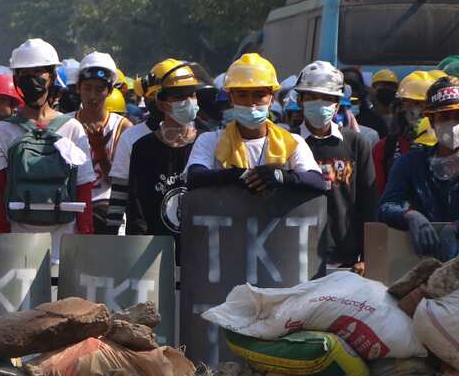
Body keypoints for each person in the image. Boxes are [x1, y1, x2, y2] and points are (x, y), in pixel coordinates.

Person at [0, 39, 95, 263]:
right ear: (16, 80)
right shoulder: (1, 132)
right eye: (25, 74)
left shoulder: (73, 129)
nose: (32, 80)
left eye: (38, 72)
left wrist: (83, 247)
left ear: (52, 76)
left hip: (58, 250)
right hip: (19, 249)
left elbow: (84, 192)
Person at [379, 76, 459, 261]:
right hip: (421, 261)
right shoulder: (410, 163)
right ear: (431, 122)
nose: (453, 124)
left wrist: (456, 228)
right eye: (444, 117)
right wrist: (410, 215)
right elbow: (386, 207)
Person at [185, 53, 325, 195]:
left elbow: (317, 181)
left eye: (259, 95)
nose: (251, 102)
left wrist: (281, 177)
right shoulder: (210, 141)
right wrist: (238, 175)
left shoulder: (292, 142)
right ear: (230, 98)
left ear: (272, 98)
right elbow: (194, 176)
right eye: (242, 95)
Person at [107, 60, 208, 251]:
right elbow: (132, 205)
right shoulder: (140, 146)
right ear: (161, 103)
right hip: (154, 251)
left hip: (198, 248)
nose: (188, 101)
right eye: (179, 96)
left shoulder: (208, 142)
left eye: (191, 94)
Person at [293, 61, 378, 273]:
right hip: (298, 256)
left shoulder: (356, 143)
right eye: (312, 97)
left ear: (338, 104)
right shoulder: (289, 142)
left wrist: (368, 256)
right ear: (301, 100)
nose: (319, 103)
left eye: (327, 98)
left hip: (346, 259)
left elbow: (368, 203)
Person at [75, 51, 132, 234]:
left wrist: (100, 153)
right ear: (78, 88)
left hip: (109, 214)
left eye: (99, 89)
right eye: (87, 87)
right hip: (73, 210)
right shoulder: (66, 124)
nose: (93, 95)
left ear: (109, 90)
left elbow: (119, 183)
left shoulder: (122, 127)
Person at [372, 70, 440, 193]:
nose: (420, 111)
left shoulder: (449, 145)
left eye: (427, 104)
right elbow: (380, 193)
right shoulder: (385, 148)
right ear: (402, 106)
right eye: (415, 103)